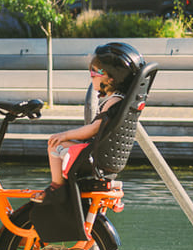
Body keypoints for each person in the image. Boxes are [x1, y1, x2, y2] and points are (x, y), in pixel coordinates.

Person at [32, 42, 137, 203]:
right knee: (63, 143)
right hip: (104, 155)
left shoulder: (113, 101)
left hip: (95, 157)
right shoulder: (122, 100)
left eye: (93, 74)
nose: (91, 77)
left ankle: (56, 187)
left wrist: (65, 135)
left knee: (54, 144)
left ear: (110, 79)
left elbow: (94, 129)